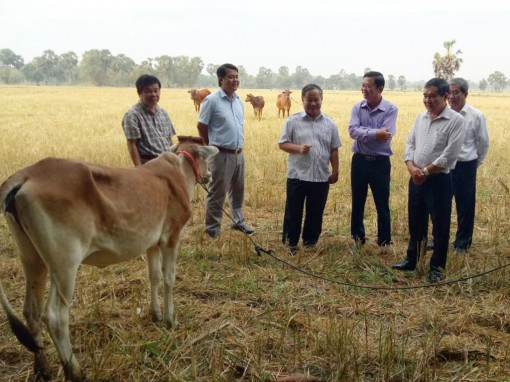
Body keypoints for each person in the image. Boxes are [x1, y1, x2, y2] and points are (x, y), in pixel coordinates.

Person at [392, 78, 465, 283]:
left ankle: (437, 267)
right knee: (416, 221)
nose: (428, 100)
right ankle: (412, 259)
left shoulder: (456, 121)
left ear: (445, 96)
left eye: (433, 96)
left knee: (440, 226)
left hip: (439, 181)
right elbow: (409, 145)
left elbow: (449, 156)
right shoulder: (420, 118)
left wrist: (424, 172)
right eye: (425, 95)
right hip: (415, 179)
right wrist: (412, 168)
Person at [279, 84, 341, 255]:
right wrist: (299, 149)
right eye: (309, 100)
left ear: (322, 100)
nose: (313, 103)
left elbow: (334, 149)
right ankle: (291, 241)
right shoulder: (293, 121)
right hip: (298, 175)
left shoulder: (330, 123)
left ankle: (310, 241)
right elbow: (282, 143)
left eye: (316, 100)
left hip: (321, 176)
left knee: (316, 210)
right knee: (294, 210)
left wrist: (335, 170)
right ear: (302, 100)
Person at [197, 63, 254, 238]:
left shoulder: (238, 101)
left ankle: (238, 222)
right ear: (221, 79)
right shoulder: (212, 100)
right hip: (220, 154)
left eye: (237, 76)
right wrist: (210, 148)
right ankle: (212, 229)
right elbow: (201, 125)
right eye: (231, 77)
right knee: (217, 192)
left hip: (238, 153)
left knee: (238, 190)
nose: (235, 80)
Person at [348, 71, 398, 246]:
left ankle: (384, 240)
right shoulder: (357, 107)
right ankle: (357, 237)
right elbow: (352, 131)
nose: (364, 89)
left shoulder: (391, 109)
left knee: (382, 202)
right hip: (359, 161)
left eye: (368, 86)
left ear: (380, 88)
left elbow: (388, 134)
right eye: (363, 85)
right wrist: (376, 133)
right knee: (357, 201)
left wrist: (364, 133)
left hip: (380, 163)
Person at [448, 78, 489, 254]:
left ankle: (462, 243)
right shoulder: (444, 115)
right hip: (444, 166)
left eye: (456, 92)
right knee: (439, 205)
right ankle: (438, 237)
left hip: (466, 166)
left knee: (465, 206)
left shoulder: (476, 116)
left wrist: (474, 163)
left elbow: (483, 144)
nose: (451, 96)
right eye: (449, 92)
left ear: (465, 94)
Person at [122, 74, 176, 166]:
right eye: (148, 91)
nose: (153, 94)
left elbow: (169, 140)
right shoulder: (133, 115)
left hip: (168, 164)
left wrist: (174, 162)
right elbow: (132, 144)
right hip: (149, 165)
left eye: (156, 90)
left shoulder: (163, 113)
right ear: (139, 93)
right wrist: (139, 169)